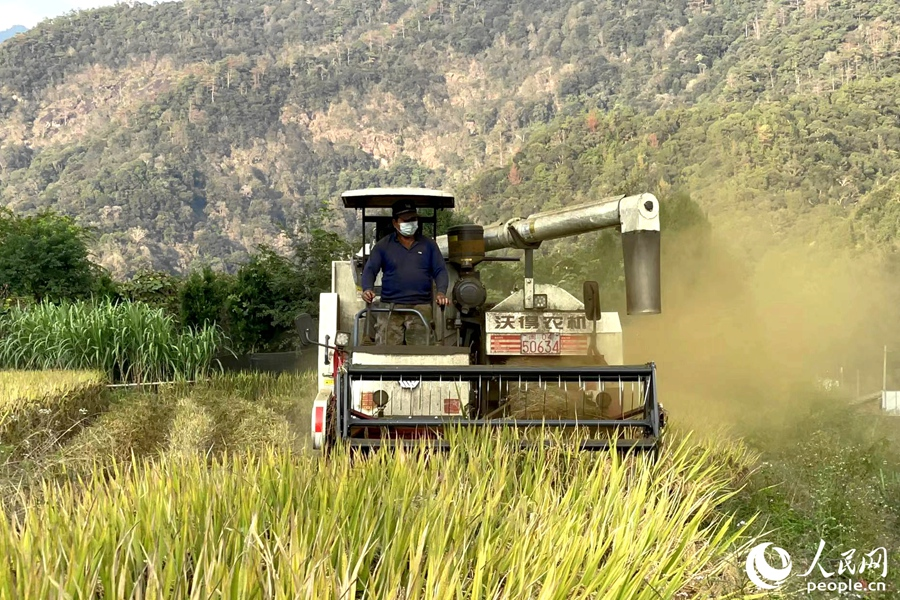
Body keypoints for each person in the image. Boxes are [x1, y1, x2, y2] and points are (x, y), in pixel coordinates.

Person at [361, 199, 450, 345]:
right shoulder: (383, 246)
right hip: (390, 307)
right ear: (395, 222)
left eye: (413, 219)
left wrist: (441, 292)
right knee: (386, 350)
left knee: (423, 351)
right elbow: (370, 270)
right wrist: (367, 289)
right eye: (406, 220)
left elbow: (440, 270)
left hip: (421, 306)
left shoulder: (429, 245)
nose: (411, 223)